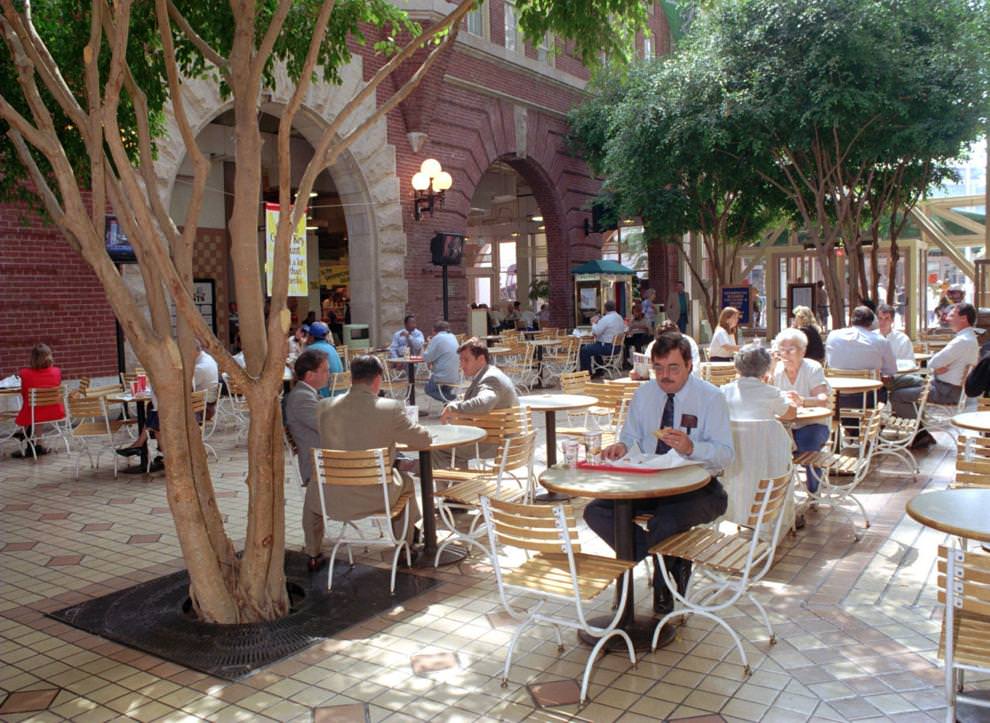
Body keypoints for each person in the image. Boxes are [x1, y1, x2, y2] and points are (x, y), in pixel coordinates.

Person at [583, 333, 733, 617]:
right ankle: (671, 561)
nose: (665, 376)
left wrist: (692, 447)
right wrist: (620, 445)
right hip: (651, 483)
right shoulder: (644, 394)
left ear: (689, 365)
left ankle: (663, 588)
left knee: (664, 522)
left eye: (673, 367)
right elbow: (629, 434)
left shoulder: (711, 398)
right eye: (659, 368)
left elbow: (726, 454)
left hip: (701, 488)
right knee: (596, 512)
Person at [317, 356, 431, 561]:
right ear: (378, 379)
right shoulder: (390, 408)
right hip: (377, 496)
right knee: (406, 481)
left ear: (352, 378)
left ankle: (312, 552)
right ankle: (407, 543)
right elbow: (423, 441)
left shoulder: (324, 406)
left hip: (332, 496)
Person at [893, 302, 979, 445]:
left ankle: (919, 435)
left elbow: (933, 362)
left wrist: (936, 368)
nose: (947, 318)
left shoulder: (962, 341)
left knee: (897, 395)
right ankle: (909, 428)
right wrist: (937, 368)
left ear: (964, 318)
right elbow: (935, 365)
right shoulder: (969, 338)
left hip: (945, 390)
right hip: (942, 385)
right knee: (900, 381)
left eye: (952, 315)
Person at [436, 338, 520, 466]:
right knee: (445, 447)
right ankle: (458, 483)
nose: (462, 365)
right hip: (497, 437)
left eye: (466, 360)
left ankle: (458, 485)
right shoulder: (489, 373)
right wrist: (461, 399)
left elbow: (484, 402)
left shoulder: (490, 378)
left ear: (481, 359)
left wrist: (454, 407)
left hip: (495, 442)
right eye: (460, 360)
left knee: (438, 448)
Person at [283, 349, 331, 571]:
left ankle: (314, 549)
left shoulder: (308, 394)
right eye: (325, 370)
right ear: (310, 375)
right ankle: (313, 550)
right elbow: (328, 428)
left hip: (324, 461)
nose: (329, 374)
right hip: (319, 465)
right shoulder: (302, 397)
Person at [772, 328, 831, 493]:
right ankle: (779, 494)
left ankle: (814, 492)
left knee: (808, 442)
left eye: (790, 350)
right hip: (785, 426)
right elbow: (766, 397)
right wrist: (769, 370)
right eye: (781, 350)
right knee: (767, 443)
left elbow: (823, 399)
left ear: (803, 351)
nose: (785, 354)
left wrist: (803, 401)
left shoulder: (812, 368)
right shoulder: (775, 371)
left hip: (813, 425)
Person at [12, 343, 64, 458]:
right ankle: (39, 443)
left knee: (33, 409)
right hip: (54, 411)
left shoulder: (24, 373)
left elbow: (24, 393)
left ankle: (25, 435)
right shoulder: (56, 372)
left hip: (31, 413)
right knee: (39, 409)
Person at [721, 344, 796, 422]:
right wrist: (790, 399)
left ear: (736, 367)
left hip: (734, 434)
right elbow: (791, 414)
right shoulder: (771, 393)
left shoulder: (724, 392)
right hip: (766, 434)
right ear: (766, 368)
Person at [825, 306, 897, 377]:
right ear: (871, 323)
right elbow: (891, 371)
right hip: (869, 387)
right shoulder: (881, 341)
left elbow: (827, 361)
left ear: (851, 320)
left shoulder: (832, 336)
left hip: (838, 385)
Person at [579, 300, 626, 374]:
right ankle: (599, 371)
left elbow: (596, 332)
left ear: (605, 309)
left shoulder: (606, 319)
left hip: (607, 347)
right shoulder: (620, 318)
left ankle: (586, 373)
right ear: (615, 308)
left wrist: (593, 323)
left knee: (584, 349)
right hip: (617, 347)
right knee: (595, 346)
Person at [423, 320, 460, 403]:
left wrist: (429, 343)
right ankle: (449, 406)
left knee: (428, 389)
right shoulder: (452, 336)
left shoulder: (437, 338)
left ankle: (453, 400)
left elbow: (427, 358)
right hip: (454, 375)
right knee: (444, 390)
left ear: (434, 330)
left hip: (442, 375)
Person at [305, 322, 344, 398]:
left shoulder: (310, 349)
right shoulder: (331, 347)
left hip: (325, 394)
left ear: (311, 336)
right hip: (339, 392)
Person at [192, 340, 220, 417]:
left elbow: (186, 386)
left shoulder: (200, 367)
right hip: (209, 402)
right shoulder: (208, 357)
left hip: (204, 408)